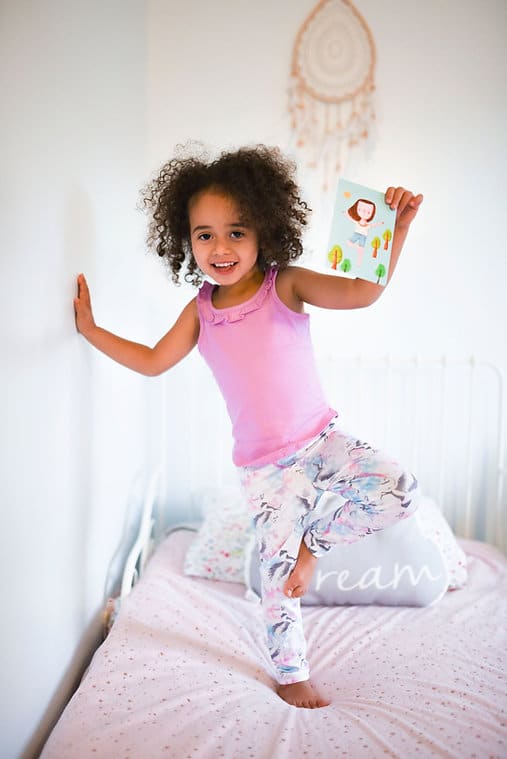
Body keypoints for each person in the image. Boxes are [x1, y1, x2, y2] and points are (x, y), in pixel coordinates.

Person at [74, 144, 423, 710]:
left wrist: (395, 231)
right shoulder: (200, 311)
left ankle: (315, 543)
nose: (220, 248)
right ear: (186, 240)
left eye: (236, 232)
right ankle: (292, 672)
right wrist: (91, 330)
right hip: (266, 471)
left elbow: (361, 293)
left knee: (400, 489)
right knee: (276, 577)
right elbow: (153, 361)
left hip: (322, 440)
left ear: (265, 230)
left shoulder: (286, 286)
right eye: (205, 235)